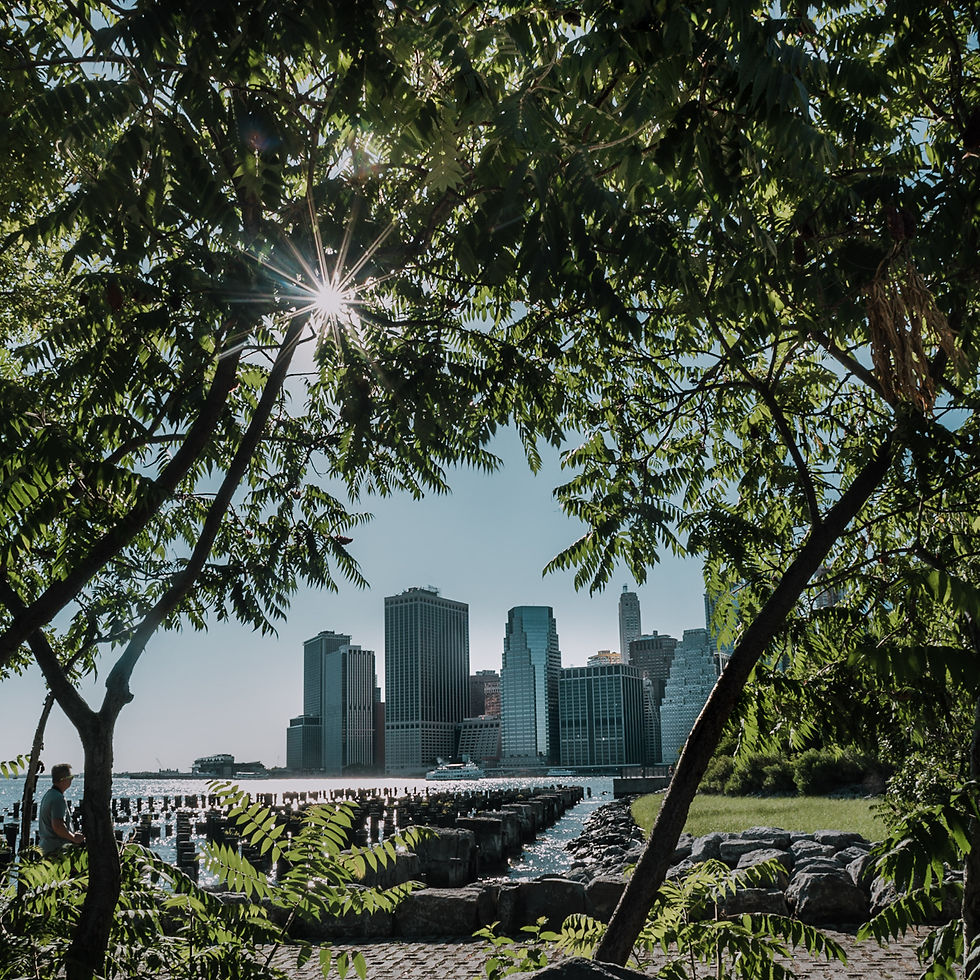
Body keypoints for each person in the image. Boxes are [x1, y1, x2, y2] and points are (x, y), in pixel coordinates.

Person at [38, 763, 85, 856]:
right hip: (55, 851)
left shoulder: (49, 795)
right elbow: (58, 826)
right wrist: (74, 838)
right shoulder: (58, 798)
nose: (72, 779)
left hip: (46, 848)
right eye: (71, 777)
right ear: (63, 779)